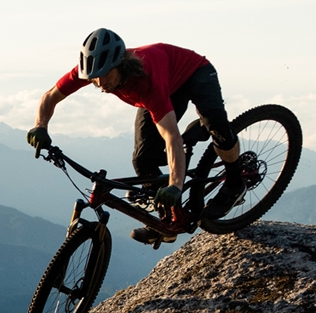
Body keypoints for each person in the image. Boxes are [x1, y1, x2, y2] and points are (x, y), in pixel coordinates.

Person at [26, 28, 241, 247]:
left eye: (105, 74)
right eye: (93, 78)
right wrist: (40, 126)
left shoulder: (146, 83)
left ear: (120, 65)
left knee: (218, 128)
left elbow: (172, 138)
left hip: (194, 72)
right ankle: (166, 224)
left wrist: (175, 186)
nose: (100, 83)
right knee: (143, 159)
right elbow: (50, 96)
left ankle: (236, 181)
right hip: (163, 84)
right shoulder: (93, 70)